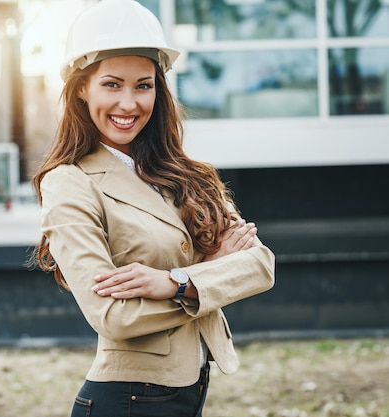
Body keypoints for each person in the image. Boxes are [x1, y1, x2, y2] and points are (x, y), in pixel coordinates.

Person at [30, 1, 276, 416]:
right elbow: (113, 316)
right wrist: (204, 274)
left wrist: (174, 280)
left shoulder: (188, 174)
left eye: (143, 85)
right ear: (80, 88)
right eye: (112, 84)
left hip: (190, 388)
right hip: (127, 398)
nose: (129, 103)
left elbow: (260, 265)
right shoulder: (69, 182)